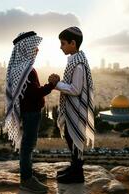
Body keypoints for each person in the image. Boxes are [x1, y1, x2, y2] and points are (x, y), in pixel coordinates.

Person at [5, 31, 60, 193]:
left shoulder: (18, 67)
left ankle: (28, 171)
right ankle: (27, 179)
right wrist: (51, 84)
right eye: (34, 47)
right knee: (28, 145)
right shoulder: (26, 69)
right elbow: (34, 93)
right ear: (25, 48)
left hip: (27, 111)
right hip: (31, 112)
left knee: (28, 145)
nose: (37, 50)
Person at [50, 26, 95, 184]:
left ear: (73, 43)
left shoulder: (79, 65)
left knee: (74, 139)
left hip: (76, 110)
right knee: (70, 139)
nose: (60, 46)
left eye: (63, 43)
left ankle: (77, 173)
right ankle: (74, 168)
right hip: (71, 109)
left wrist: (56, 84)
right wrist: (59, 84)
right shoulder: (74, 61)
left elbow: (75, 89)